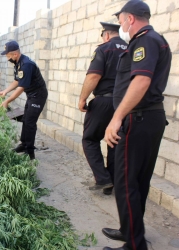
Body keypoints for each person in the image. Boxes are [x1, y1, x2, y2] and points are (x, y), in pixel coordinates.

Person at [102, 1, 172, 250]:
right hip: (147, 118)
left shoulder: (145, 40)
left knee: (125, 181)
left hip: (137, 118)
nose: (120, 24)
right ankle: (130, 230)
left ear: (130, 18)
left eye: (120, 19)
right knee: (137, 180)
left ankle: (134, 244)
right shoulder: (152, 40)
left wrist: (116, 118)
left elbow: (141, 81)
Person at [79, 22, 127, 194]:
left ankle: (103, 179)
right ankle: (111, 182)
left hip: (104, 102)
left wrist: (83, 99)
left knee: (89, 139)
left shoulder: (104, 49)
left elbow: (93, 76)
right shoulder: (130, 48)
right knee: (113, 141)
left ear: (106, 35)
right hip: (124, 103)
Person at [0, 40, 48, 160]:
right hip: (31, 95)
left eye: (8, 55)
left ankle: (29, 153)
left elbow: (21, 87)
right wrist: (5, 91)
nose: (7, 58)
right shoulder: (18, 63)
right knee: (26, 120)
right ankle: (23, 145)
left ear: (15, 54)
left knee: (30, 123)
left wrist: (7, 101)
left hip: (38, 96)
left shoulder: (26, 65)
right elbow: (17, 81)